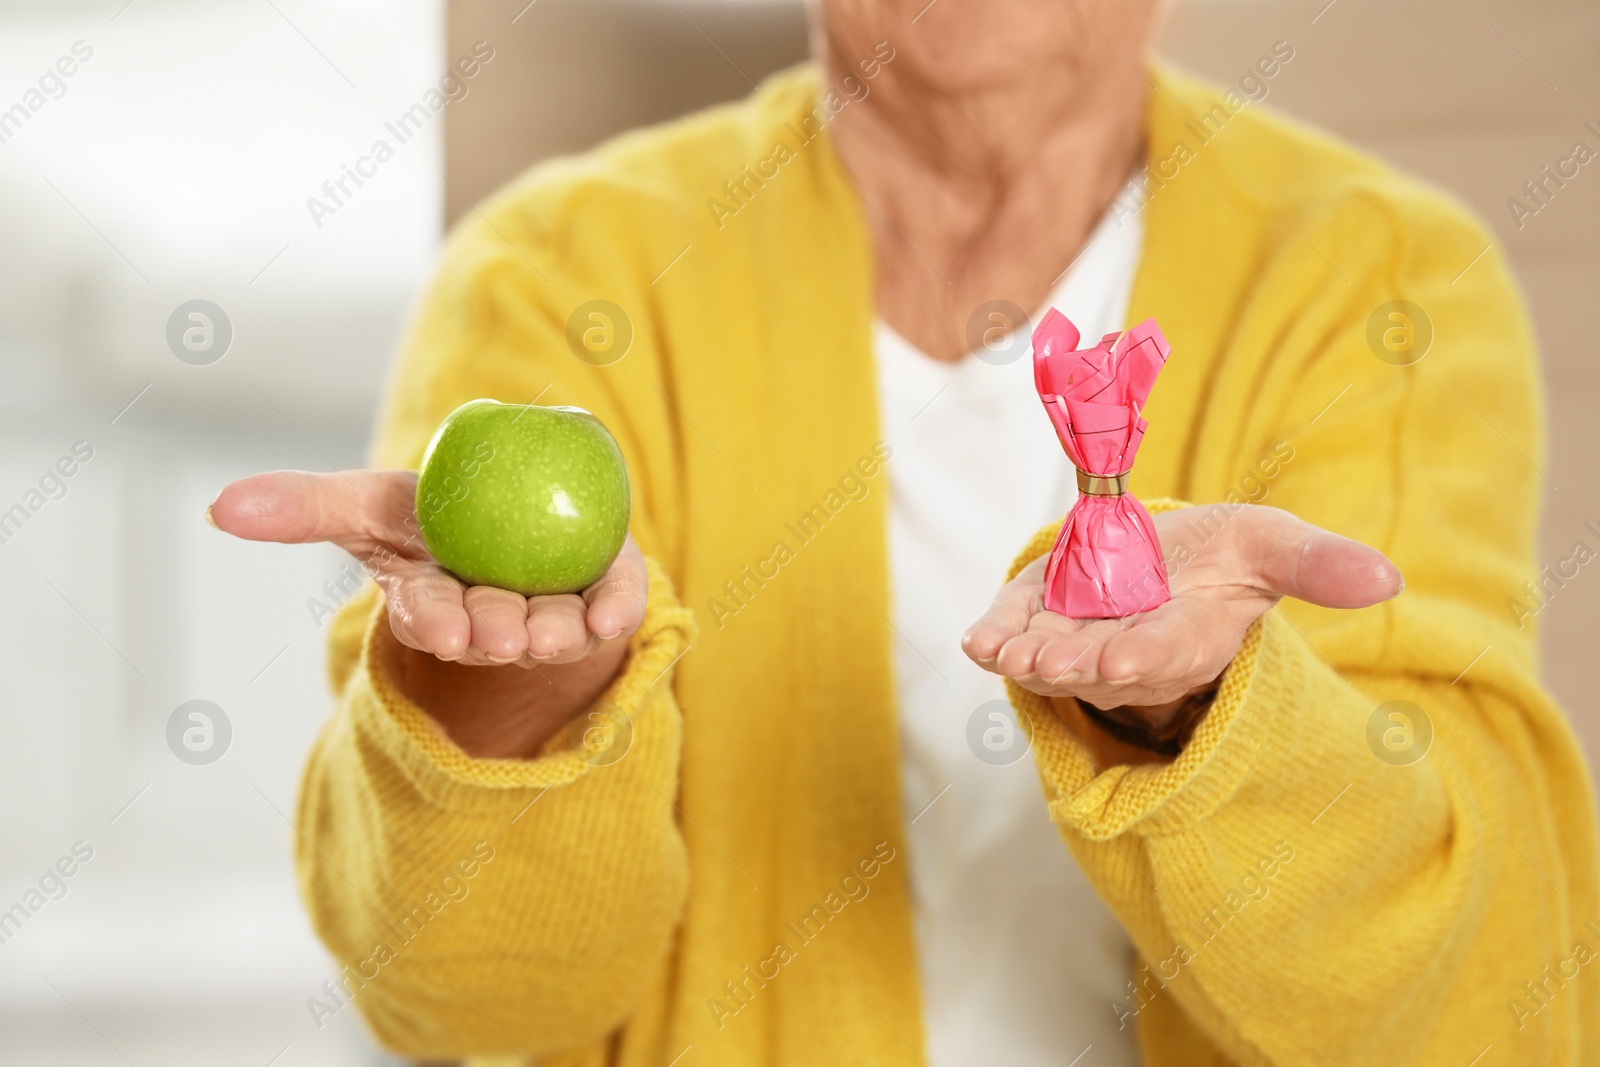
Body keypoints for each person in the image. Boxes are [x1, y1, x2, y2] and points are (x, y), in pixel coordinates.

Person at [209, 0, 1600, 1063]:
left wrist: (1202, 714)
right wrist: (514, 690)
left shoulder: (1388, 277)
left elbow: (1449, 993)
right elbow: (452, 991)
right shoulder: (558, 270)